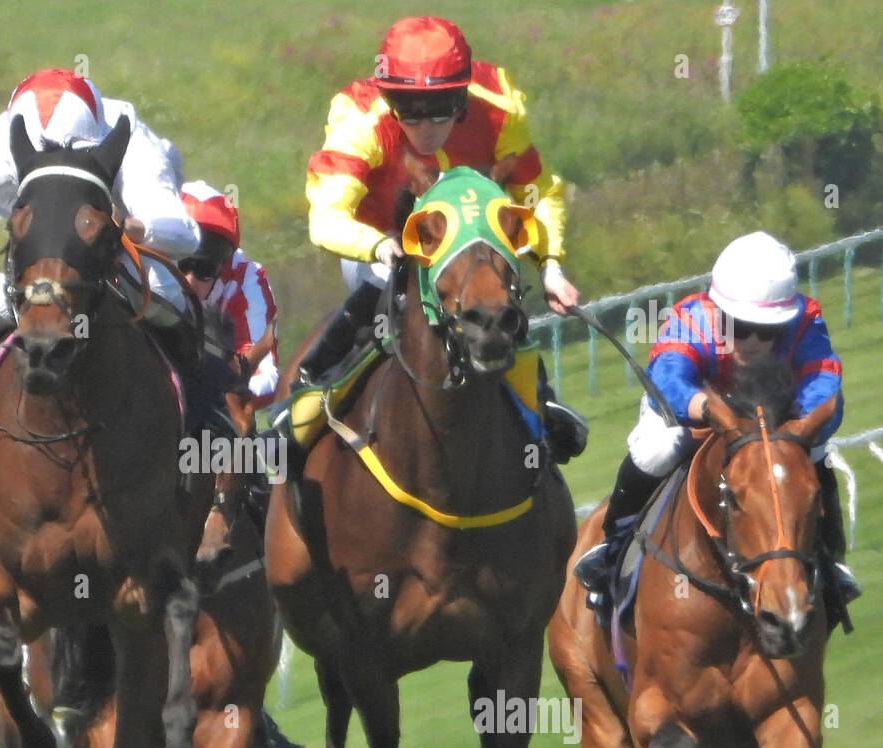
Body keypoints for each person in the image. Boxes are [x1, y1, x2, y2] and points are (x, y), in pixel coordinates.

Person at [301, 15, 585, 460]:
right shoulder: (361, 119)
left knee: (498, 296)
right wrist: (378, 245)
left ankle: (542, 401)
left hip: (471, 243)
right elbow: (326, 218)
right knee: (382, 287)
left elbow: (536, 190)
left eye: (442, 107)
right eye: (409, 109)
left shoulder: (498, 107)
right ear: (388, 96)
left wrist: (550, 265)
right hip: (383, 239)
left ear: (464, 96)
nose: (426, 126)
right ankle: (309, 396)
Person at [0, 67, 202, 440]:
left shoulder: (131, 140)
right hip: (35, 261)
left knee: (163, 290)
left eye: (75, 153)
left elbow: (184, 234)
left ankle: (202, 406)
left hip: (112, 246)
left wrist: (128, 228)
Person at [573, 231, 860, 610]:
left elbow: (824, 379)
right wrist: (704, 409)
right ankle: (613, 548)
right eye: (741, 327)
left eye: (769, 330)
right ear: (719, 312)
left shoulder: (807, 321)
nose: (754, 341)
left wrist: (800, 425)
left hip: (772, 419)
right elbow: (669, 375)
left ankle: (828, 559)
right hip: (694, 415)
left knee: (816, 451)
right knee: (654, 452)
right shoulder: (692, 318)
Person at [179, 180, 280, 529]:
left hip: (219, 400)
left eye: (204, 270)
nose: (189, 281)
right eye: (181, 265)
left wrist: (231, 391)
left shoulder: (248, 279)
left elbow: (265, 371)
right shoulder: (138, 267)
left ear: (223, 267)